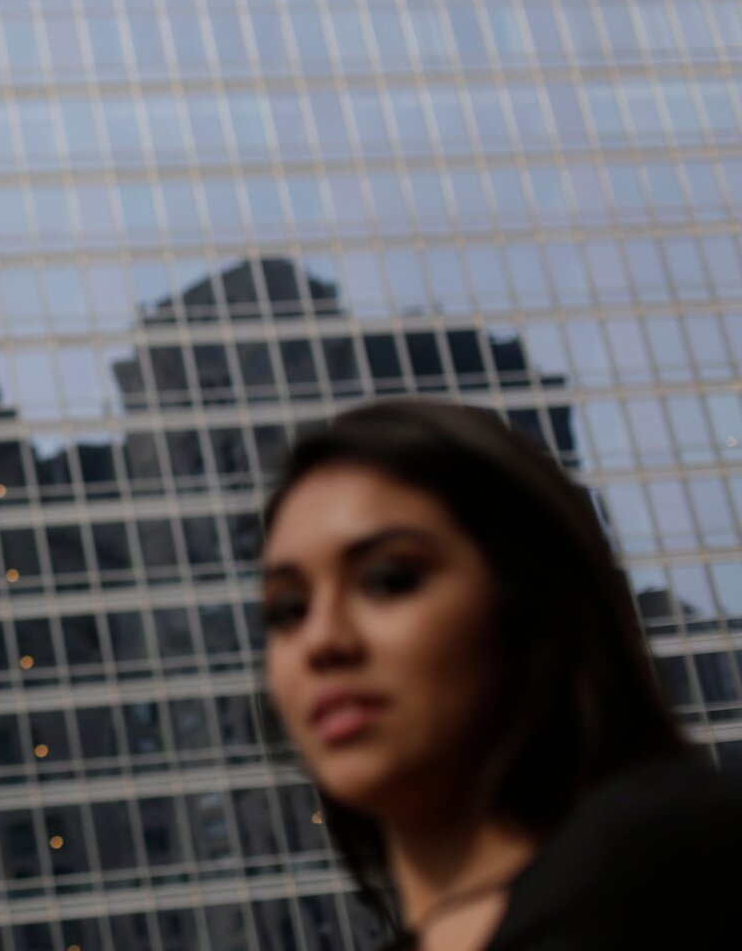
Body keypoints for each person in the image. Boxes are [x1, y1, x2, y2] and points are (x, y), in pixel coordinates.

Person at [260, 398, 742, 950]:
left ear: (534, 600)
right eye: (287, 610)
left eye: (389, 579)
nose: (321, 641)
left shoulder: (685, 864)